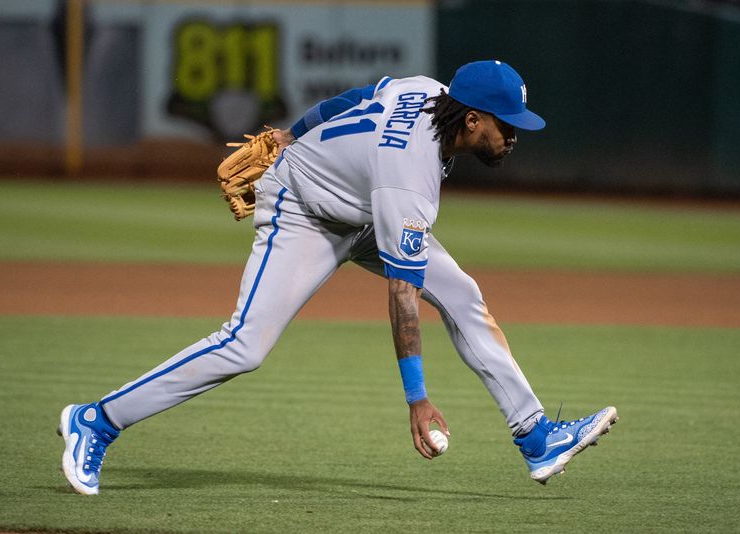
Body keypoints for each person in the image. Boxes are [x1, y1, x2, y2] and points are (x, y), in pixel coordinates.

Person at [57, 60, 617, 495]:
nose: (514, 136)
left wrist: (293, 130)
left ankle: (537, 437)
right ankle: (96, 421)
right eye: (507, 125)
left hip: (363, 213)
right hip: (303, 212)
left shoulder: (422, 87)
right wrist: (417, 398)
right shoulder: (411, 180)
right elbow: (403, 295)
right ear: (471, 119)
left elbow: (354, 98)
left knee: (463, 294)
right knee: (244, 346)